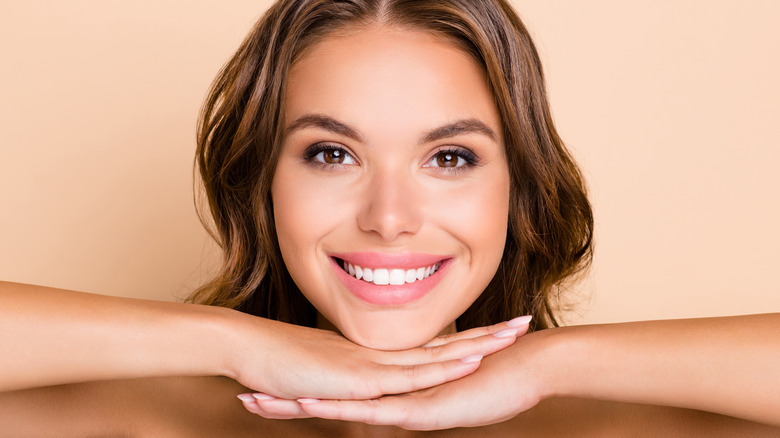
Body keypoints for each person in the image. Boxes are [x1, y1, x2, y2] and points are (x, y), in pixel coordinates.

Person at [1, 0, 778, 436]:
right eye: (332, 154)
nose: (390, 218)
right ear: (262, 182)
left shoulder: (627, 426)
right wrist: (234, 341)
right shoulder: (145, 419)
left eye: (450, 158)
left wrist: (549, 366)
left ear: (520, 187)